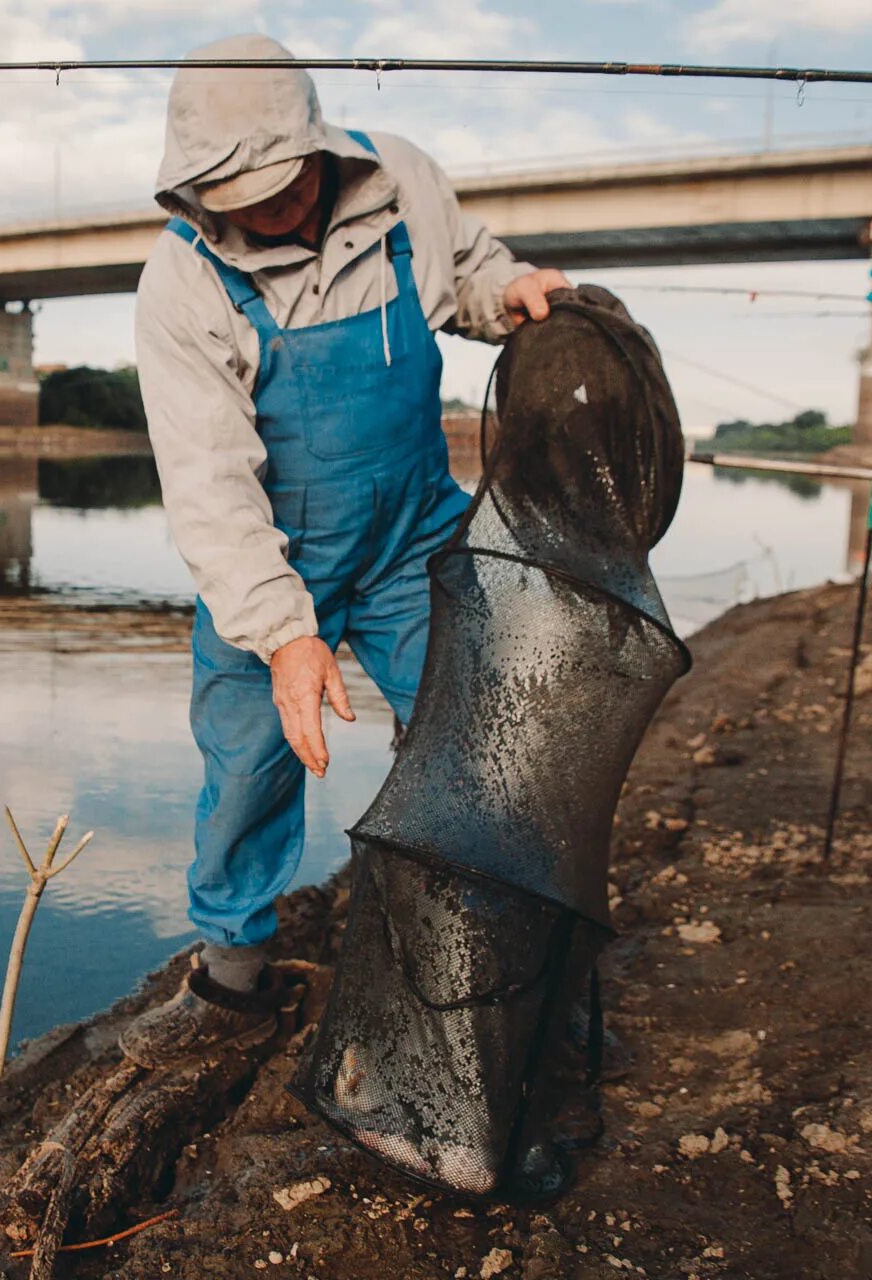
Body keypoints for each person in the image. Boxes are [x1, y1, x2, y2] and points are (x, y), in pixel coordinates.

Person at [122, 33, 570, 1067]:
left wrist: (512, 292)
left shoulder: (401, 176)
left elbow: (464, 273)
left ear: (316, 144)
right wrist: (284, 632)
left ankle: (456, 926)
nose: (261, 205)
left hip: (415, 527)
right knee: (246, 767)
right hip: (277, 551)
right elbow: (209, 486)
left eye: (276, 182)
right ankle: (233, 970)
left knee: (467, 724)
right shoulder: (181, 286)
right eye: (233, 190)